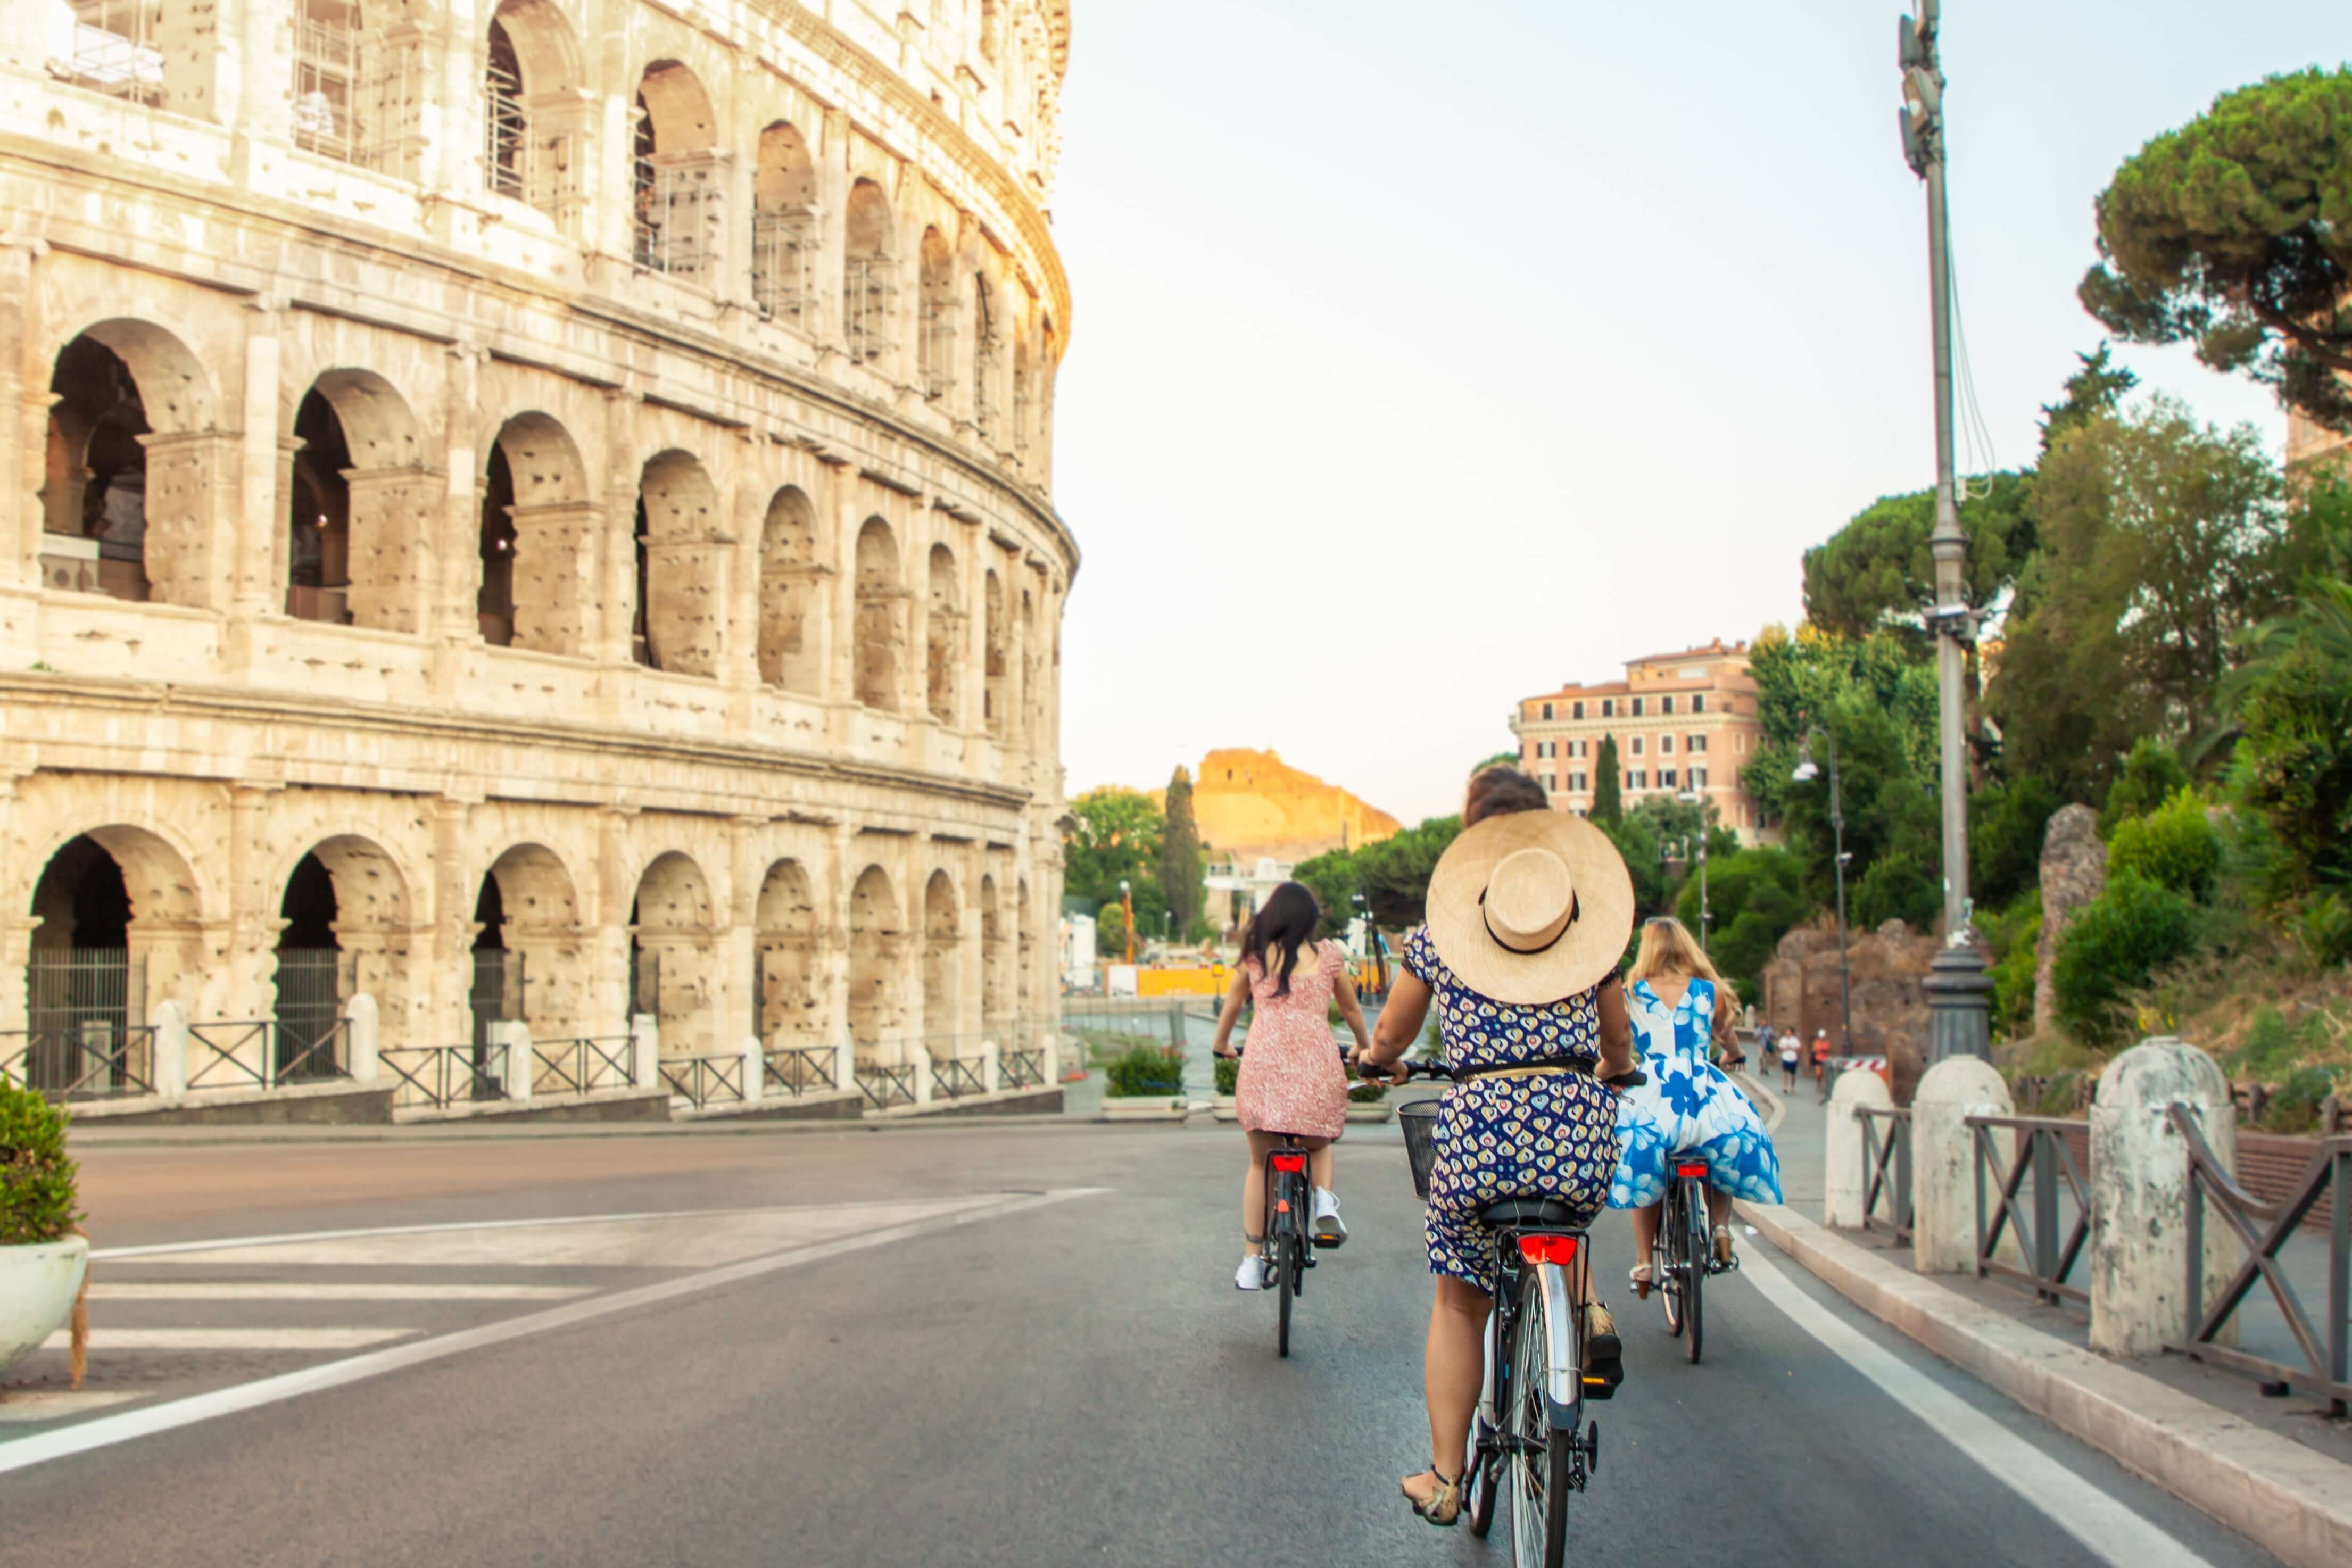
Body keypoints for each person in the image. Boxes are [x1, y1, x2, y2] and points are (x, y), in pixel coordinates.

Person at [1355, 767, 1636, 1528]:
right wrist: (1609, 1069)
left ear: (1473, 838)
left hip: (1479, 1134)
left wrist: (1377, 1063)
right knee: (1566, 1210)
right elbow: (1617, 1041)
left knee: (1457, 1297)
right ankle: (1587, 1306)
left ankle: (1448, 1477)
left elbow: (1390, 1036)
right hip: (1576, 1132)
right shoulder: (1586, 926)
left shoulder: (1439, 935)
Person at [1210, 881, 1372, 1291]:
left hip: (1263, 1063)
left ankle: (1250, 1260)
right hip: (1316, 1062)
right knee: (1317, 1144)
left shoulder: (1254, 959)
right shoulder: (1329, 957)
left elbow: (1231, 1006)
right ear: (1310, 921)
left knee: (1259, 1163)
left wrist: (1222, 1045)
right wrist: (1364, 1048)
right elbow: (1351, 1008)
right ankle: (1323, 1200)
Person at [1609, 918, 1784, 1285]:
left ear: (1649, 949)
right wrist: (1734, 1055)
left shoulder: (1632, 992)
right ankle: (1721, 1228)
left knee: (1645, 1162)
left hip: (1652, 1087)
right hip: (1701, 1086)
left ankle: (1643, 1262)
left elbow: (1620, 1046)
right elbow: (1728, 1037)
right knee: (1723, 1140)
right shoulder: (1709, 991)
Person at [1812, 1028, 1833, 1100]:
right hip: (1818, 1059)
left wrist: (1822, 1049)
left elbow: (1827, 1049)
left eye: (1823, 1037)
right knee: (1818, 1073)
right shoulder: (1816, 1042)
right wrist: (1819, 1049)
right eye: (1821, 1037)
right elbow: (1814, 1050)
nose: (1822, 1038)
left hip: (1825, 1060)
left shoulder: (1827, 1042)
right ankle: (1819, 1083)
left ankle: (1824, 1086)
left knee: (1824, 1073)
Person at [1778, 1026, 1801, 1092]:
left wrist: (1792, 1048)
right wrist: (1785, 1048)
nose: (1787, 1033)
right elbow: (1780, 1048)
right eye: (1787, 1032)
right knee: (1785, 1073)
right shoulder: (1783, 1039)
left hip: (1793, 1058)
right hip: (1785, 1058)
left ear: (1792, 1033)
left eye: (1789, 1032)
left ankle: (1792, 1087)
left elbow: (1799, 1048)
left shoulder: (1795, 1040)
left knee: (1793, 1074)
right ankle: (1785, 1087)